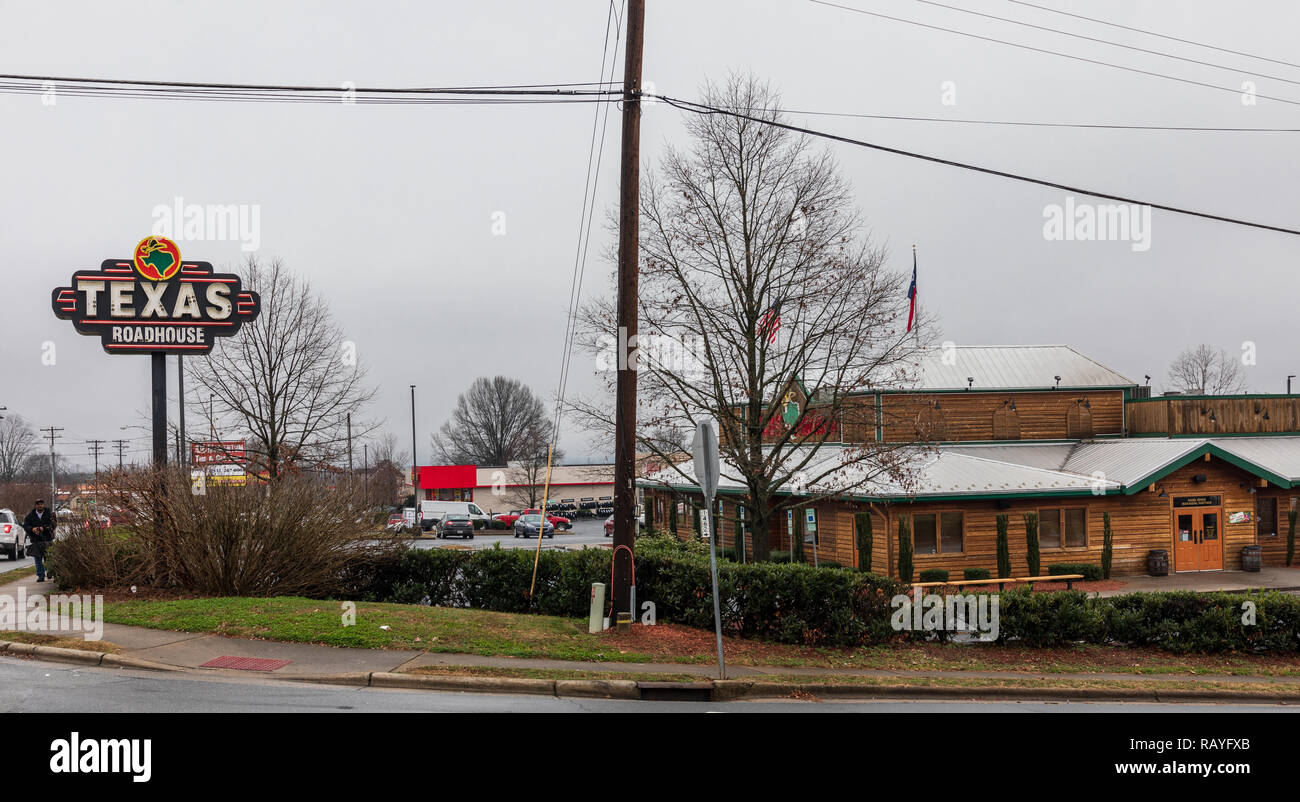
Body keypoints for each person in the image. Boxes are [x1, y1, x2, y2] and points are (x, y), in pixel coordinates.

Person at [23, 498, 56, 582]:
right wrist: (32, 529)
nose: (40, 505)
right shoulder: (30, 515)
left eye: (41, 503)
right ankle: (40, 575)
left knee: (48, 558)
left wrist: (43, 528)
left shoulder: (50, 514)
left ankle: (50, 572)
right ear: (35, 505)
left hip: (47, 539)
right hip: (36, 540)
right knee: (38, 559)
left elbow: (53, 524)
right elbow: (25, 525)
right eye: (38, 504)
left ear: (43, 504)